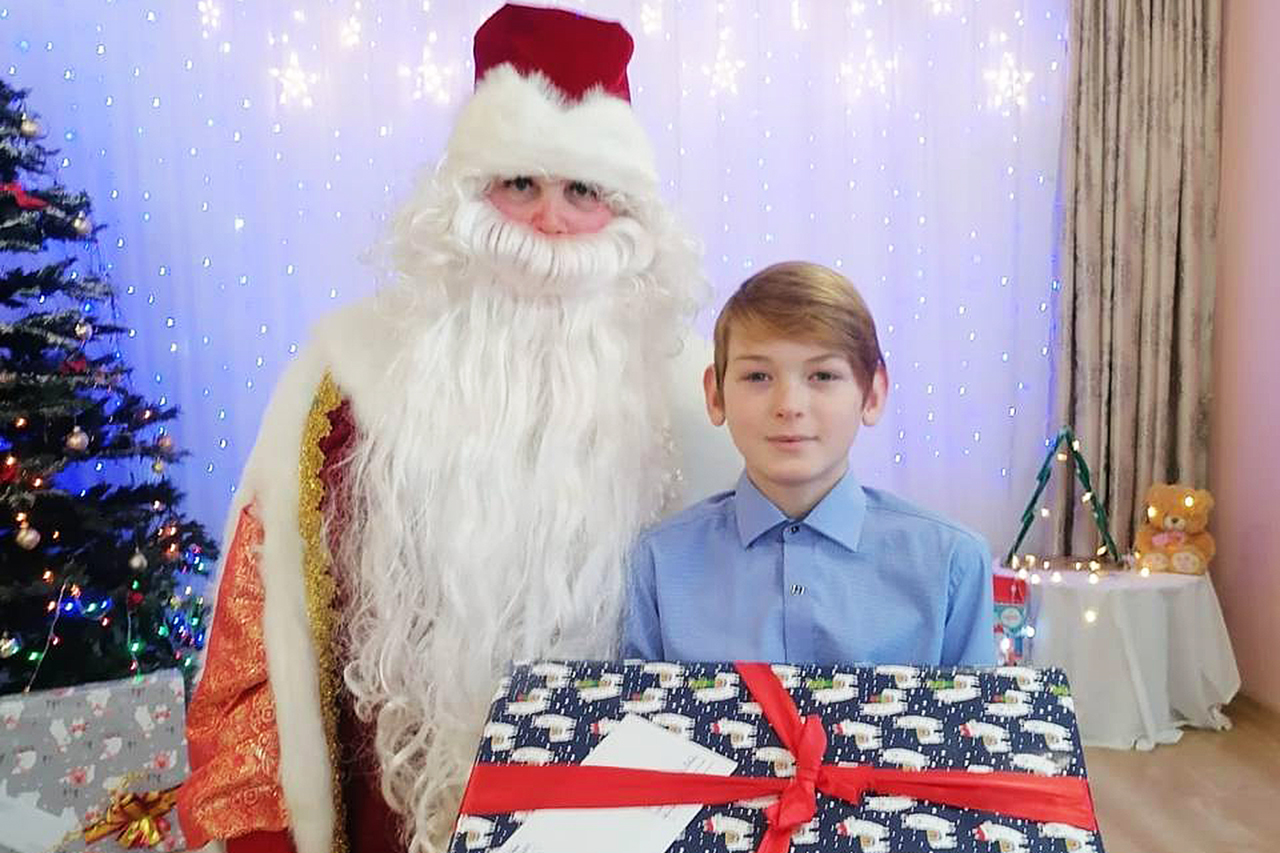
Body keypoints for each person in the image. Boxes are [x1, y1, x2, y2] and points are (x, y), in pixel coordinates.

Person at [175, 6, 737, 853]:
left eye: (582, 191)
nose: (549, 221)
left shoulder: (705, 401)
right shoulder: (346, 382)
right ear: (466, 198)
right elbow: (256, 641)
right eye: (520, 185)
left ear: (627, 218)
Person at [623, 261, 995, 667]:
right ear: (716, 396)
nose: (789, 406)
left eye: (822, 376)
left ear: (872, 394)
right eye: (758, 376)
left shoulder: (952, 564)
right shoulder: (655, 564)